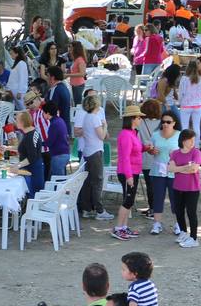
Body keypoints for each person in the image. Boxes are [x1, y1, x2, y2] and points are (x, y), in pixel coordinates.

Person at [75, 94, 111, 221]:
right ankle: (99, 210)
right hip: (95, 151)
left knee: (89, 181)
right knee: (97, 181)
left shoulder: (86, 117)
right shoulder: (95, 118)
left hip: (88, 151)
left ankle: (87, 208)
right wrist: (105, 125)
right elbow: (102, 136)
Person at [112, 106, 145, 241]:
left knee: (129, 200)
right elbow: (125, 157)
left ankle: (124, 227)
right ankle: (118, 228)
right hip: (128, 172)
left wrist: (146, 148)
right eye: (138, 117)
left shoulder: (132, 133)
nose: (140, 120)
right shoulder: (126, 134)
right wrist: (129, 176)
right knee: (128, 200)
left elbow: (136, 149)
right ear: (132, 119)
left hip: (134, 171)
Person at [145, 111, 178, 237]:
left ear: (174, 123)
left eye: (168, 122)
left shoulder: (179, 135)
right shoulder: (155, 135)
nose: (165, 124)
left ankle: (178, 224)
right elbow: (150, 150)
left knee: (175, 198)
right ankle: (157, 223)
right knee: (158, 197)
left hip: (173, 172)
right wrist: (151, 151)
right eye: (163, 122)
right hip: (157, 171)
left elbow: (185, 151)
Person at [169, 129, 201, 248]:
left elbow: (194, 169)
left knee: (191, 212)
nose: (193, 142)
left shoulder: (196, 152)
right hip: (178, 187)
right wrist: (185, 168)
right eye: (190, 139)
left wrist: (179, 168)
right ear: (183, 140)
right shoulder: (175, 153)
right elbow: (170, 169)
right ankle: (183, 232)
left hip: (192, 188)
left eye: (194, 139)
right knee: (178, 210)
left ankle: (194, 238)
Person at [11, 110, 46, 197]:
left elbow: (32, 157)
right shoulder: (29, 133)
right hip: (29, 169)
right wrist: (7, 148)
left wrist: (17, 166)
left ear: (22, 122)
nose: (15, 122)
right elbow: (24, 148)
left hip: (33, 171)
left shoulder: (30, 135)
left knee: (32, 195)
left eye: (17, 120)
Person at [177, 60, 201, 148]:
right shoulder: (200, 78)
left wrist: (180, 102)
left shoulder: (184, 79)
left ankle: (184, 145)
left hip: (186, 105)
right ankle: (196, 145)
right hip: (197, 105)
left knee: (184, 126)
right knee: (196, 126)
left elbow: (181, 92)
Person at [43, 102, 71, 181]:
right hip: (63, 154)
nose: (42, 114)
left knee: (58, 181)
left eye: (43, 113)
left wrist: (39, 143)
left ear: (48, 113)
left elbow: (49, 142)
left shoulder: (54, 124)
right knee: (56, 179)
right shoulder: (60, 120)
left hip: (58, 155)